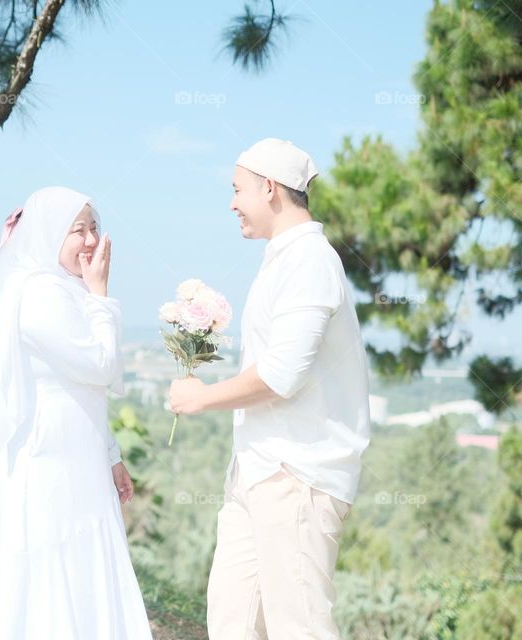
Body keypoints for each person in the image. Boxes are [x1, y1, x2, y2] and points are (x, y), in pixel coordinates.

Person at [168, 138, 371, 639]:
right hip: (256, 472)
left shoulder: (310, 261)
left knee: (299, 626)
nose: (232, 203)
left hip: (298, 475)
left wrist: (201, 398)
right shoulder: (283, 258)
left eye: (238, 190)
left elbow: (283, 375)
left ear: (269, 188)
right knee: (232, 622)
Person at [0, 186, 152, 639]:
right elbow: (100, 364)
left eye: (95, 227)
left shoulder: (61, 289)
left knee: (83, 570)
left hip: (79, 463)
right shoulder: (39, 295)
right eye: (77, 230)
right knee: (51, 579)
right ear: (50, 234)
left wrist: (111, 455)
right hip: (48, 469)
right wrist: (102, 295)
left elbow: (84, 391)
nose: (91, 240)